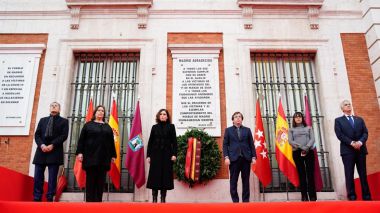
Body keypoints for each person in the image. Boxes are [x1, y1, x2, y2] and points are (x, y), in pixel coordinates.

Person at [76, 105, 116, 202]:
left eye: (102, 111)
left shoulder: (107, 127)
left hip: (104, 158)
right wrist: (80, 153)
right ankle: (90, 203)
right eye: (99, 110)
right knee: (90, 182)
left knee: (100, 182)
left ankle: (98, 203)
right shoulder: (88, 125)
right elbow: (81, 140)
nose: (101, 112)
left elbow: (111, 142)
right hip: (90, 158)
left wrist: (113, 155)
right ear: (95, 112)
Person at [334, 100, 371, 201]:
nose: (348, 106)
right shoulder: (338, 120)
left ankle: (367, 197)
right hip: (347, 151)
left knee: (363, 174)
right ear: (342, 108)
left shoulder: (359, 119)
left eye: (349, 104)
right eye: (346, 105)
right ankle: (352, 197)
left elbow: (365, 133)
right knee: (349, 174)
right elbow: (339, 135)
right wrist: (352, 143)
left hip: (361, 150)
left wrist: (360, 142)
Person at [33, 102, 69, 202]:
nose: (53, 107)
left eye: (56, 105)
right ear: (49, 108)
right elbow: (37, 135)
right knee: (37, 176)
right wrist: (42, 145)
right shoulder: (42, 120)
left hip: (55, 151)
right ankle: (37, 197)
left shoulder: (64, 121)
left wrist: (52, 144)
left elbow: (63, 136)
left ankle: (50, 197)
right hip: (41, 151)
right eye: (52, 105)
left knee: (52, 178)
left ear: (59, 109)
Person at [223, 112, 256, 203]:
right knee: (233, 182)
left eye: (240, 117)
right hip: (233, 159)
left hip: (246, 159)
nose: (238, 118)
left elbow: (251, 144)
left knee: (246, 182)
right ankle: (235, 202)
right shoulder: (228, 130)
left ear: (242, 119)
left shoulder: (247, 130)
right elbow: (225, 145)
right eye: (236, 117)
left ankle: (245, 202)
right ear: (233, 120)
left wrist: (253, 157)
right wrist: (226, 157)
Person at [146, 109, 178, 203]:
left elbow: (174, 143)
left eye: (165, 114)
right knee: (155, 177)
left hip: (167, 156)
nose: (163, 116)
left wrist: (174, 154)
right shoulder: (154, 127)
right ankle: (154, 199)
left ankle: (163, 199)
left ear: (167, 117)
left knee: (165, 177)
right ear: (158, 116)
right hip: (155, 155)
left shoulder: (171, 127)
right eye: (161, 114)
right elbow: (150, 142)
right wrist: (148, 155)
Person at [288, 112, 317, 201]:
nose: (298, 118)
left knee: (310, 174)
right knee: (301, 174)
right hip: (297, 152)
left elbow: (312, 139)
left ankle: (312, 196)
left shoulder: (309, 128)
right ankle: (304, 196)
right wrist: (301, 147)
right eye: (296, 117)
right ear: (294, 119)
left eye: (299, 117)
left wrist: (307, 147)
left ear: (302, 118)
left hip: (309, 152)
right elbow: (290, 141)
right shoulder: (291, 130)